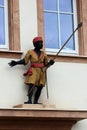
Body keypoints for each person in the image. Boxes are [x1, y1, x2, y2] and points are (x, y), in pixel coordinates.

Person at [8, 36, 55, 104]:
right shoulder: (30, 52)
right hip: (33, 70)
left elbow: (46, 64)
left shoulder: (44, 53)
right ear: (35, 44)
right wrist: (16, 62)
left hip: (41, 72)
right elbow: (25, 61)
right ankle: (29, 100)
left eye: (42, 43)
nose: (42, 44)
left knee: (40, 87)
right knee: (31, 85)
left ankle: (36, 101)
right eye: (40, 43)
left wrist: (50, 63)